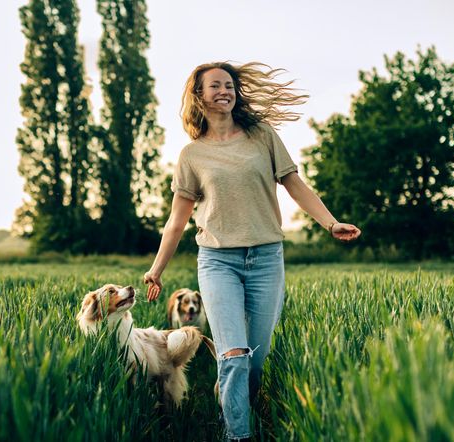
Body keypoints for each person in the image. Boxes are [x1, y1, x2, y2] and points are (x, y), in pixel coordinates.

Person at [143, 61, 361, 441]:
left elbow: (296, 186)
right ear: (199, 95)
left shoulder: (262, 136)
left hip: (265, 259)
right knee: (234, 355)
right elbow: (176, 222)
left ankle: (231, 397)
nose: (224, 91)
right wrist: (156, 270)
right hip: (217, 261)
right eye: (215, 86)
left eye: (229, 85)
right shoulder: (192, 155)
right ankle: (237, 435)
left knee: (254, 360)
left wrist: (330, 222)